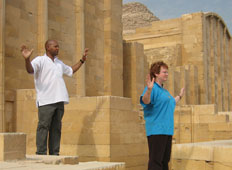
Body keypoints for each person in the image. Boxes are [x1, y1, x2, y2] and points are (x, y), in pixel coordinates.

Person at [21, 40, 89, 155]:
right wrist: (27, 59)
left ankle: (54, 154)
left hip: (59, 100)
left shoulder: (59, 63)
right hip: (46, 101)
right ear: (48, 47)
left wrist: (82, 60)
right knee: (43, 127)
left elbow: (71, 70)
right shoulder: (40, 60)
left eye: (58, 46)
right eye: (55, 46)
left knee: (56, 129)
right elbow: (30, 70)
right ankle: (41, 154)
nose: (58, 48)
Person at [140, 61, 184, 170]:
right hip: (157, 130)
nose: (167, 74)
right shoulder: (152, 88)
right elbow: (145, 101)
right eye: (164, 72)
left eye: (167, 72)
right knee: (156, 163)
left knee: (165, 162)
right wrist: (149, 90)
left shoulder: (165, 91)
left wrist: (180, 96)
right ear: (156, 73)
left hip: (167, 131)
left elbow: (171, 103)